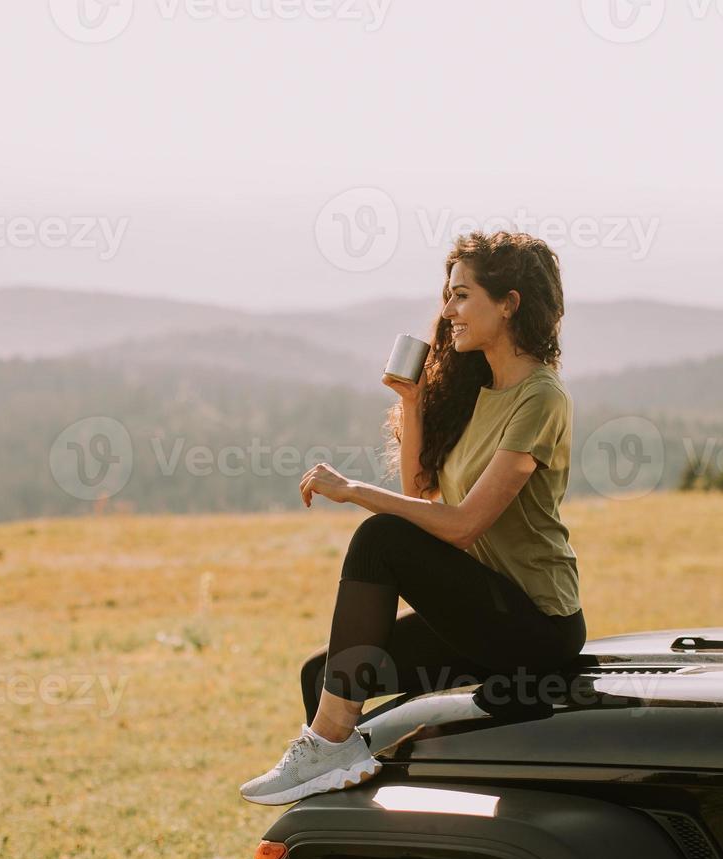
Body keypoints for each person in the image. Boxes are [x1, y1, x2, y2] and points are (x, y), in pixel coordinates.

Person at [239, 230, 587, 805]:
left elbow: (462, 525)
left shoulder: (541, 398)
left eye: (461, 295)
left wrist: (353, 491)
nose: (446, 310)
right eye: (447, 296)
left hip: (534, 628)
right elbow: (424, 498)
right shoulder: (481, 390)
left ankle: (327, 744)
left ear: (510, 303)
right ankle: (348, 824)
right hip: (481, 615)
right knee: (320, 675)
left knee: (379, 537)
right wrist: (411, 401)